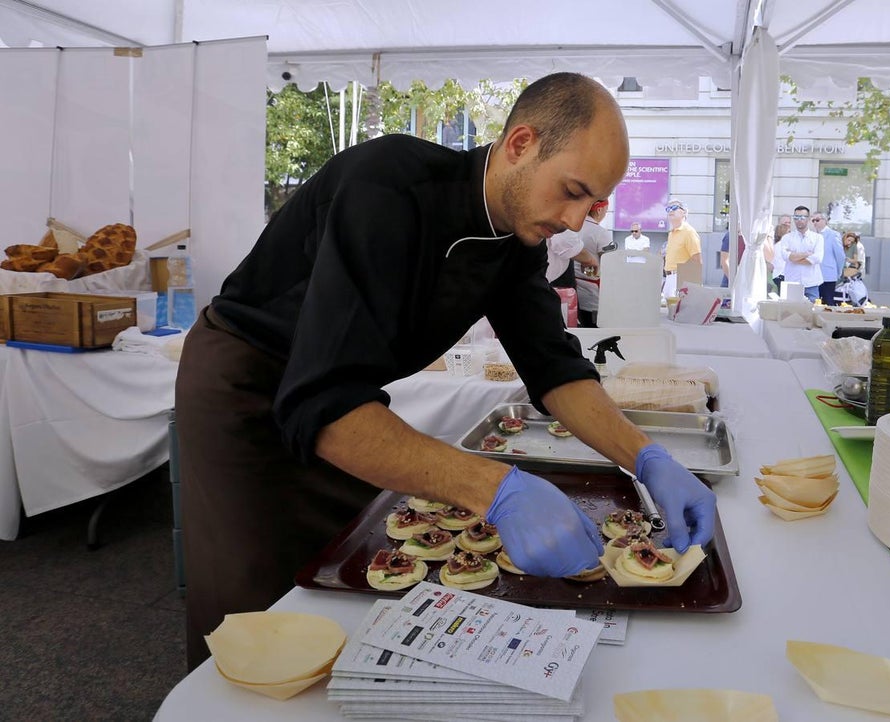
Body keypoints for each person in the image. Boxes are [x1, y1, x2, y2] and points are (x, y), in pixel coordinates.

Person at [174, 72, 716, 670]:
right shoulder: (387, 187)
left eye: (592, 205)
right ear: (520, 144)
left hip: (338, 402)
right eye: (571, 191)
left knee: (353, 567)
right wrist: (496, 489)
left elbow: (553, 366)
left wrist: (647, 457)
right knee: (255, 599)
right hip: (244, 385)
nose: (574, 220)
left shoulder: (515, 239)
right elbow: (323, 404)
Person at [573, 198, 614, 327]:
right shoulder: (601, 233)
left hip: (573, 289)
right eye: (606, 211)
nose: (605, 214)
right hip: (593, 294)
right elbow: (610, 264)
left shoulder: (573, 228)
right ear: (599, 209)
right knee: (594, 330)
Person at [775, 205, 824, 301]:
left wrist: (794, 257)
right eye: (796, 217)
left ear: (809, 219)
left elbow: (817, 258)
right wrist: (807, 254)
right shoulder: (787, 238)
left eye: (802, 217)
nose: (799, 220)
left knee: (812, 313)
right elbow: (786, 256)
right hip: (792, 282)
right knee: (790, 313)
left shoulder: (818, 238)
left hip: (811, 283)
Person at [662, 198, 701, 297]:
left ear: (684, 213)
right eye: (668, 208)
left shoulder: (689, 232)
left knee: (680, 310)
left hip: (682, 278)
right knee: (670, 311)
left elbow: (697, 259)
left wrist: (695, 285)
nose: (670, 210)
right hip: (669, 277)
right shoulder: (672, 233)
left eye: (674, 207)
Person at [811, 212, 844, 305]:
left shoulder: (833, 235)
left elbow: (840, 256)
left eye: (817, 220)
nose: (815, 223)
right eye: (813, 220)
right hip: (814, 276)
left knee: (828, 302)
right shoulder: (812, 236)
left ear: (825, 221)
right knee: (815, 303)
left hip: (828, 275)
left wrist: (838, 271)